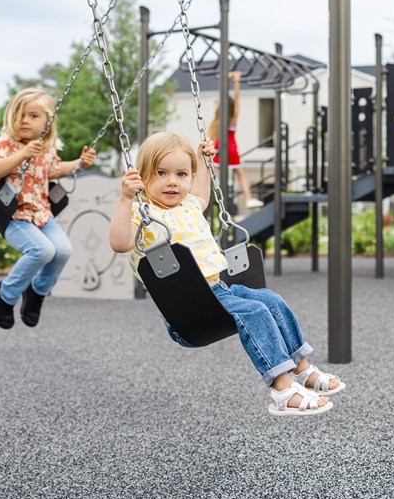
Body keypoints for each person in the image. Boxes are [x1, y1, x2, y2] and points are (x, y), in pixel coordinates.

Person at [108, 131, 344, 416]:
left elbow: (202, 194)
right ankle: (282, 390)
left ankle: (303, 369)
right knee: (254, 311)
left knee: (270, 300)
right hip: (189, 311)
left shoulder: (190, 205)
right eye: (160, 173)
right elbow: (120, 243)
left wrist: (203, 161)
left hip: (220, 291)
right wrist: (124, 199)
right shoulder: (139, 213)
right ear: (142, 177)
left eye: (182, 174)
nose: (172, 181)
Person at [0, 88, 96, 330]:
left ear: (47, 122)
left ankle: (36, 292)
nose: (25, 120)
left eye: (33, 116)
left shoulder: (46, 148)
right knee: (42, 250)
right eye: (20, 115)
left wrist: (79, 163)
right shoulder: (8, 145)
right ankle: (4, 294)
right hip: (15, 217)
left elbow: (55, 169)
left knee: (63, 250)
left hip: (43, 216)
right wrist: (22, 154)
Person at [208, 70, 262, 209]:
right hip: (230, 148)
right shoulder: (232, 119)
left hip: (218, 147)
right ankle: (249, 198)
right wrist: (236, 81)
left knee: (212, 173)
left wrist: (225, 81)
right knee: (240, 174)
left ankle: (205, 193)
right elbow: (236, 98)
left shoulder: (216, 119)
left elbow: (221, 99)